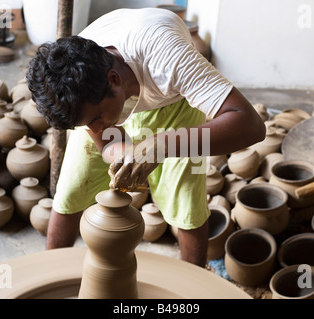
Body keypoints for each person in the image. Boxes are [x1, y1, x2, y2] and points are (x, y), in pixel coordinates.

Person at [26, 8, 266, 268]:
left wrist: (161, 146)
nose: (95, 127)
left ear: (114, 80)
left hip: (173, 104)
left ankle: (193, 285)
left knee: (186, 200)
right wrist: (122, 157)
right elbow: (105, 137)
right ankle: (48, 275)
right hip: (107, 100)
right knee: (71, 189)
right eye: (87, 124)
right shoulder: (79, 83)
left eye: (95, 120)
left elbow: (251, 125)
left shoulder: (169, 57)